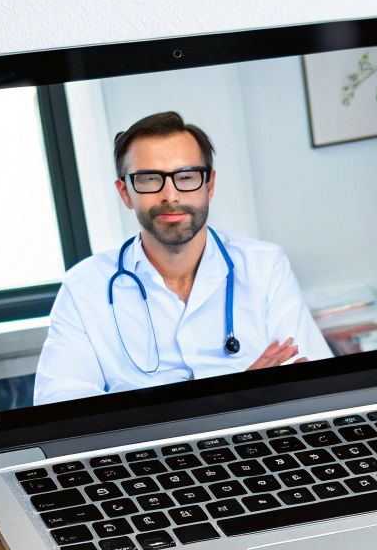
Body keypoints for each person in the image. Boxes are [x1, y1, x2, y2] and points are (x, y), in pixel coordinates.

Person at [33, 111, 331, 405]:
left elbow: (315, 383)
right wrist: (233, 396)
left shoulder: (264, 266)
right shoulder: (84, 287)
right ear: (125, 192)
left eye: (186, 177)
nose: (171, 195)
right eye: (150, 180)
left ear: (209, 185)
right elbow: (58, 404)